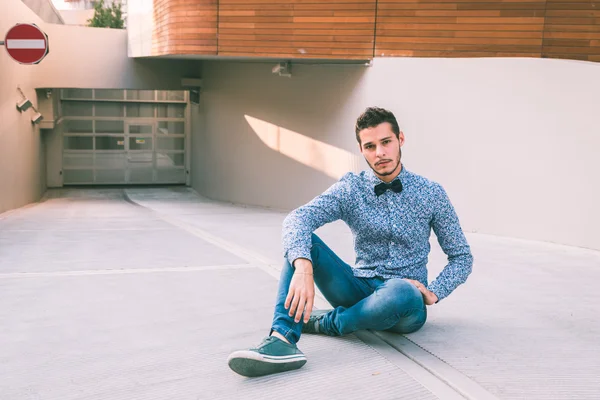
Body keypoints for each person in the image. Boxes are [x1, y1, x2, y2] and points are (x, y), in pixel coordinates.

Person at [227, 106, 473, 377]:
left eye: (386, 142)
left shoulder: (431, 193)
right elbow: (297, 219)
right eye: (370, 146)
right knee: (301, 244)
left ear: (400, 139)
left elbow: (462, 256)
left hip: (405, 305)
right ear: (361, 149)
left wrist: (435, 291)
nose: (379, 153)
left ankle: (330, 323)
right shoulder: (351, 189)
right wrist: (303, 266)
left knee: (401, 291)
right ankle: (282, 341)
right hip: (358, 288)